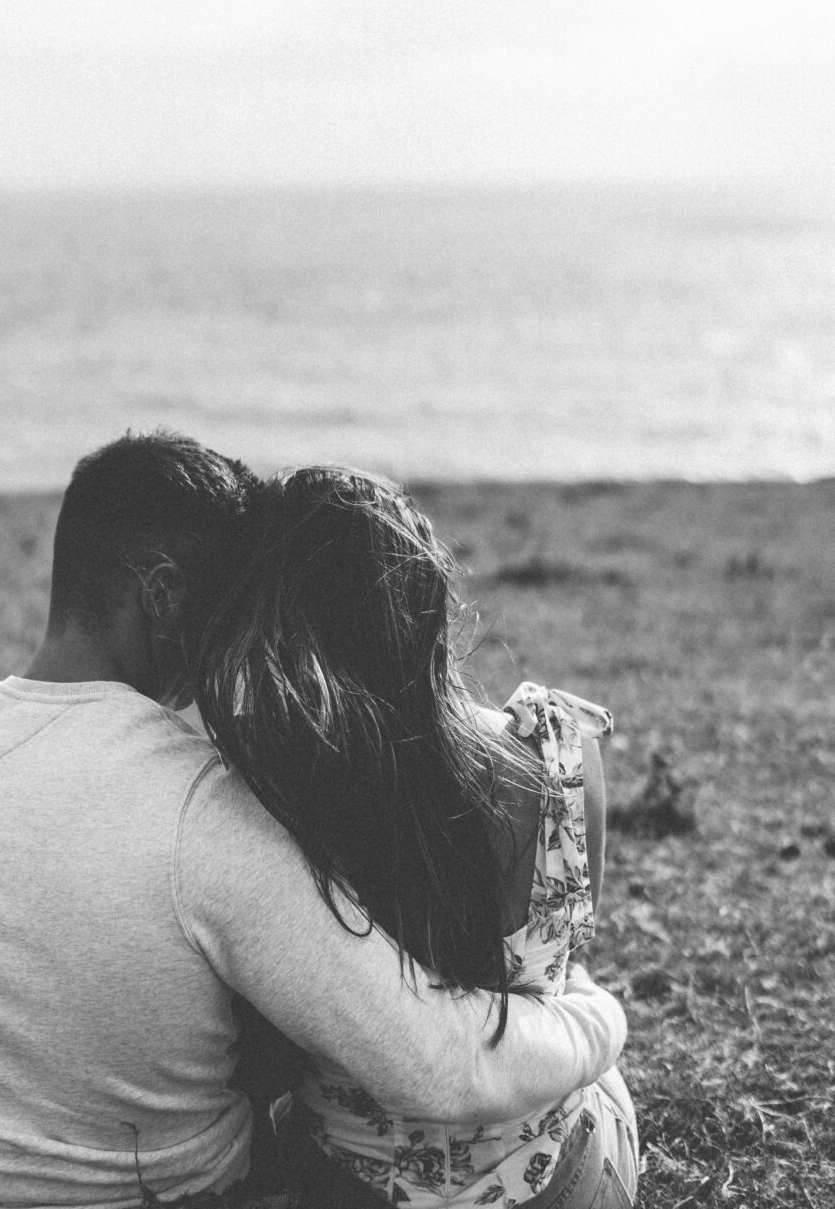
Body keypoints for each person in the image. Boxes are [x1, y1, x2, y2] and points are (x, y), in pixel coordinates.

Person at [0, 432, 629, 1209]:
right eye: (228, 608)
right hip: (166, 1191)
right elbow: (435, 1066)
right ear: (162, 595)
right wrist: (597, 1017)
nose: (239, 642)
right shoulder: (202, 808)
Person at [185, 466, 639, 1208]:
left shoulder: (263, 794)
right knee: (591, 1051)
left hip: (346, 1187)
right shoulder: (563, 753)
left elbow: (259, 1051)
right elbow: (564, 948)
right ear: (428, 603)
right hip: (558, 1185)